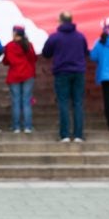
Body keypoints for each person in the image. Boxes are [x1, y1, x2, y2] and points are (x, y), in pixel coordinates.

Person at [42, 12, 89, 142]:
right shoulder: (80, 36)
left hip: (61, 72)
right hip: (78, 72)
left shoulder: (55, 37)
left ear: (61, 21)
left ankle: (65, 135)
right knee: (78, 103)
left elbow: (46, 52)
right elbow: (85, 52)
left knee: (63, 103)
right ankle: (78, 135)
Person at [2, 26, 36, 133]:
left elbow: (6, 61)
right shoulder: (28, 45)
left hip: (14, 76)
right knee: (26, 101)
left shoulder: (9, 46)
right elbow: (34, 59)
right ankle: (28, 127)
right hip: (28, 75)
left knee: (16, 101)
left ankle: (16, 127)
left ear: (15, 34)